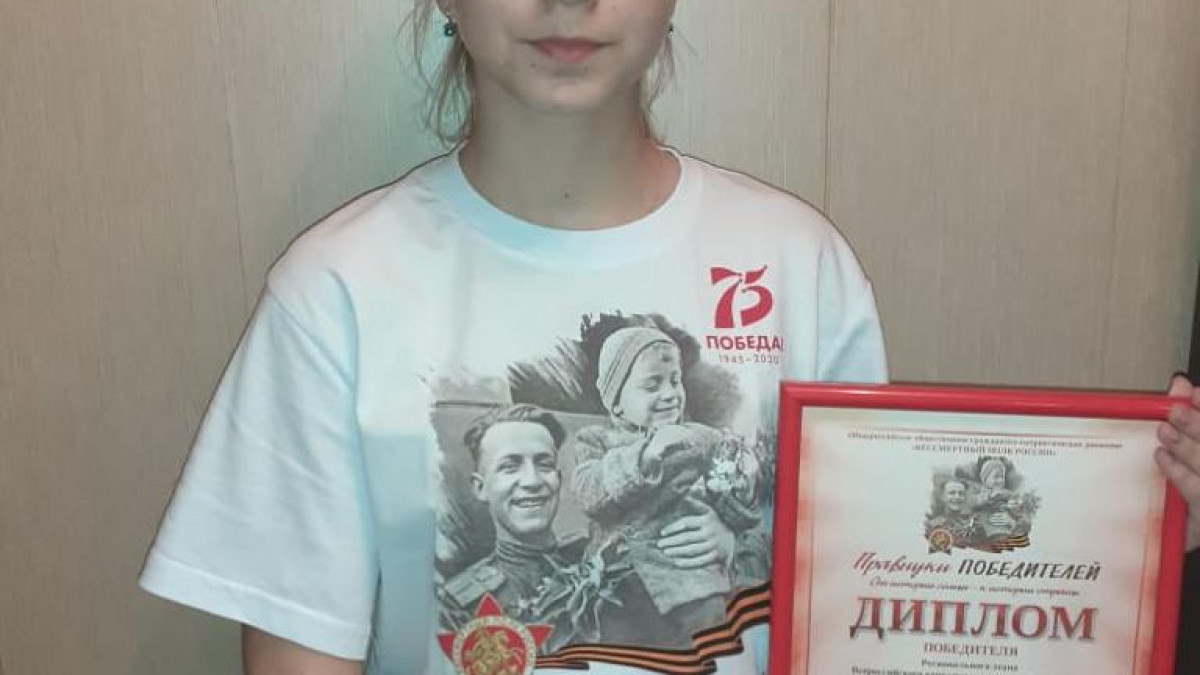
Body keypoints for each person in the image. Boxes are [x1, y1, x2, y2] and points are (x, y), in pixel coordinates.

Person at [135, 1, 1200, 673]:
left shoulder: (798, 263)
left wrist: (1135, 520)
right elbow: (298, 646)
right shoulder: (336, 291)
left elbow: (881, 602)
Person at [567, 326, 759, 644]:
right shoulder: (596, 441)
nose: (670, 394)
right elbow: (589, 492)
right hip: (616, 585)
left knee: (710, 640)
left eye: (674, 380)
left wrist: (741, 484)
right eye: (652, 385)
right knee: (611, 642)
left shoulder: (702, 438)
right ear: (616, 403)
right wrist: (645, 456)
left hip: (692, 581)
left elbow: (736, 510)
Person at [439, 405, 586, 634]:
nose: (532, 481)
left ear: (558, 479)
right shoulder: (458, 605)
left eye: (544, 465)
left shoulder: (593, 561)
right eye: (510, 467)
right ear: (480, 488)